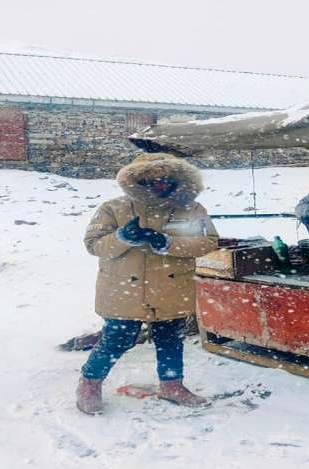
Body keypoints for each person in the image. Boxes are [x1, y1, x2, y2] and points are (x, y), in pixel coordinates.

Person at [76, 153, 219, 415]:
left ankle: (172, 385)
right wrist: (122, 237)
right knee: (115, 340)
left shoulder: (191, 209)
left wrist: (169, 244)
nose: (159, 184)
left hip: (171, 288)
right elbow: (93, 245)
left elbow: (208, 242)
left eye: (166, 178)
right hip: (123, 289)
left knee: (171, 340)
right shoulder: (113, 208)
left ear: (178, 180)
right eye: (152, 179)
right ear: (138, 180)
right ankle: (89, 385)